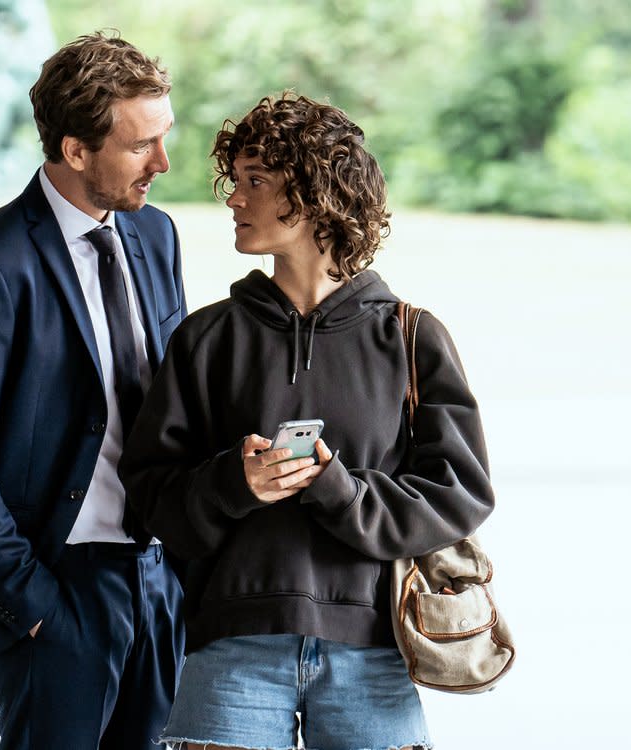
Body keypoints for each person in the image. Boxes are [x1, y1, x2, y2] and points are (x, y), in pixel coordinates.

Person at [118, 93, 495, 750]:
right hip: (232, 654)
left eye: (255, 181)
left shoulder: (411, 338)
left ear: (317, 193)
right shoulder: (205, 338)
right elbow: (152, 497)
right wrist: (237, 483)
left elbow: (459, 494)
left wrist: (337, 489)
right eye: (234, 181)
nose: (234, 199)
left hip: (374, 654)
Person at [0, 32, 187, 750]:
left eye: (164, 138)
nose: (163, 163)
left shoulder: (156, 236)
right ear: (75, 150)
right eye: (141, 147)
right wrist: (32, 603)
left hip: (159, 579)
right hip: (57, 588)